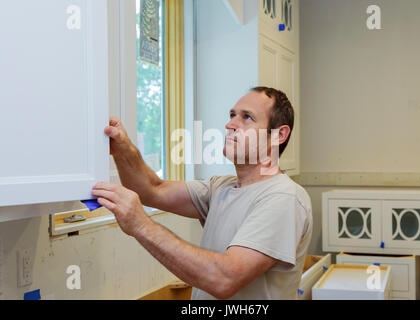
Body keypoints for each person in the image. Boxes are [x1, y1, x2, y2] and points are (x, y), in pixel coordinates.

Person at [92, 87, 313, 300]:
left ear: (278, 135)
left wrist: (140, 225)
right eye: (232, 115)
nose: (230, 124)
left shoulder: (283, 198)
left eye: (247, 117)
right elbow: (152, 190)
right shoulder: (221, 188)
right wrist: (124, 150)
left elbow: (224, 279)